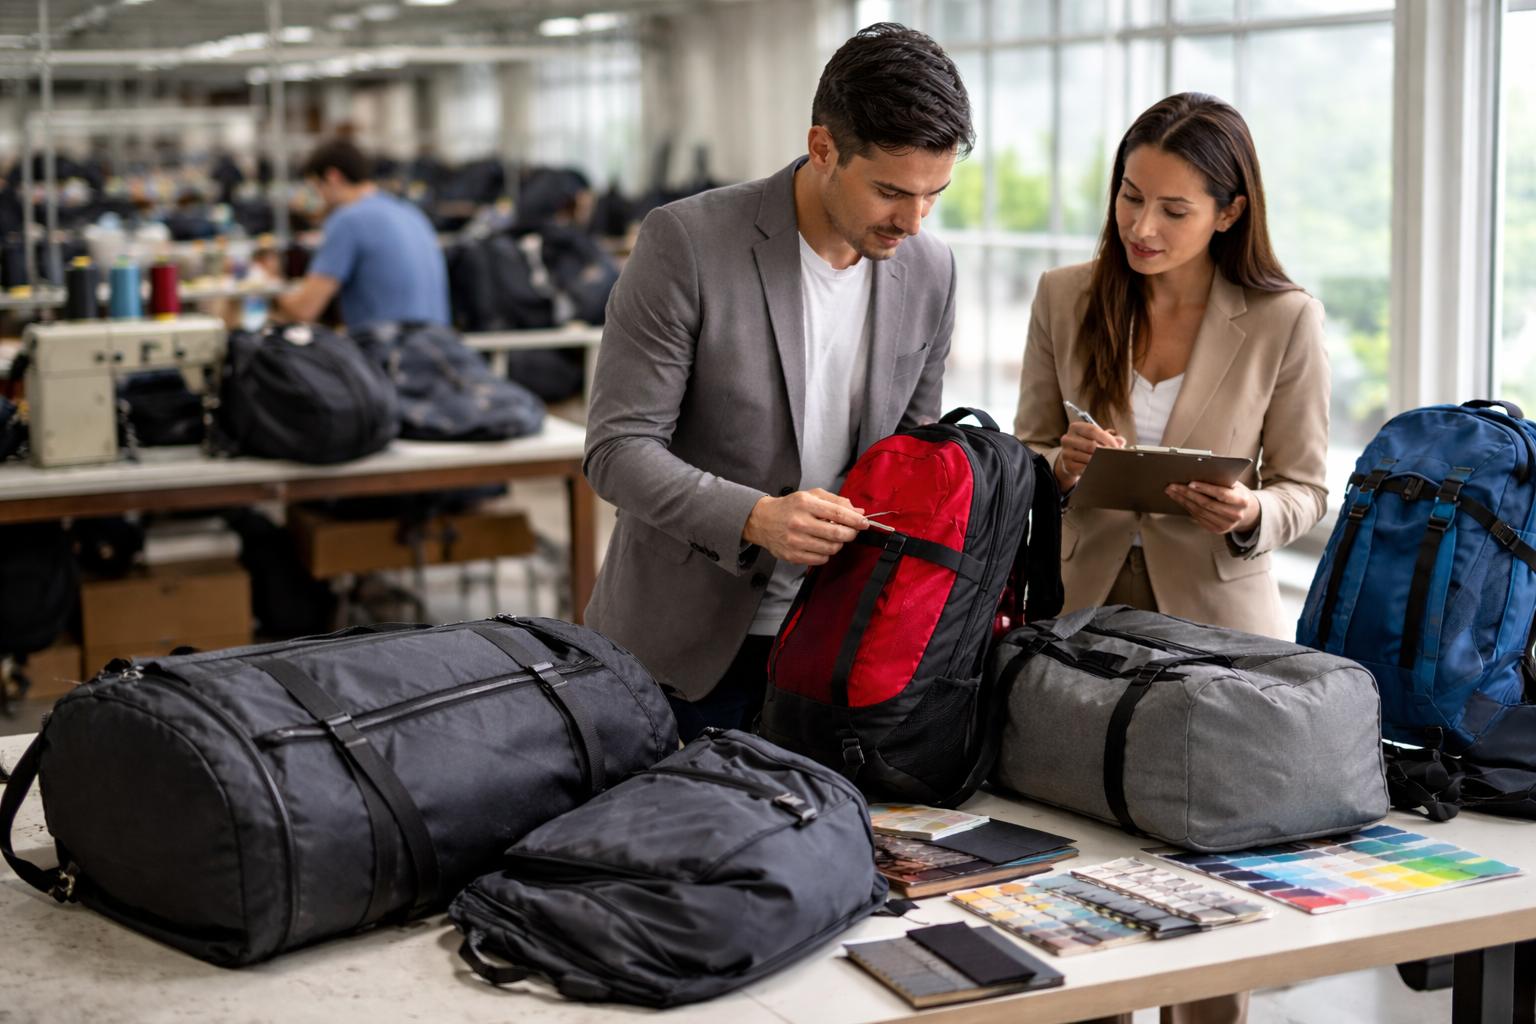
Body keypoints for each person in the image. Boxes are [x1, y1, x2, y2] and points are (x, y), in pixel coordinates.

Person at [1015, 92, 1330, 1024]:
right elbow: (1022, 449)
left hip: (1216, 629)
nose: (1141, 227)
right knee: (1082, 867)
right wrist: (1059, 465)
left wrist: (1249, 511)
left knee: (1211, 883)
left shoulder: (1283, 318)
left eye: (1173, 209)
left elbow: (1308, 487)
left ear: (1229, 212)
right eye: (1129, 197)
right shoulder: (1065, 296)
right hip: (1079, 612)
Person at [583, 22, 972, 741]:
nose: (914, 223)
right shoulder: (687, 243)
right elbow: (617, 450)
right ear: (823, 148)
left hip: (837, 648)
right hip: (683, 651)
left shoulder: (931, 271)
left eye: (933, 195)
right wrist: (755, 517)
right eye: (891, 191)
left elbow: (911, 455)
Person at [273, 140, 449, 331]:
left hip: (387, 346)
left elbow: (304, 310)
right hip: (437, 342)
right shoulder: (410, 213)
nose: (319, 198)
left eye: (317, 187)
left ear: (333, 177)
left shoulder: (348, 220)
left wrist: (271, 286)